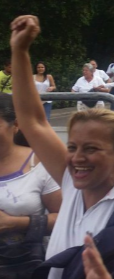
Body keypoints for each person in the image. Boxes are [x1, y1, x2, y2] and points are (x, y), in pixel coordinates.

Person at [9, 15, 114, 279]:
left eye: (91, 149)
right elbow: (32, 121)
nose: (77, 158)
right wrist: (20, 50)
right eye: (72, 147)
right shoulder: (72, 181)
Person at [0, 93, 61, 275]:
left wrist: (16, 223)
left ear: (16, 125)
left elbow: (64, 218)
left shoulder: (38, 163)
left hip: (27, 267)